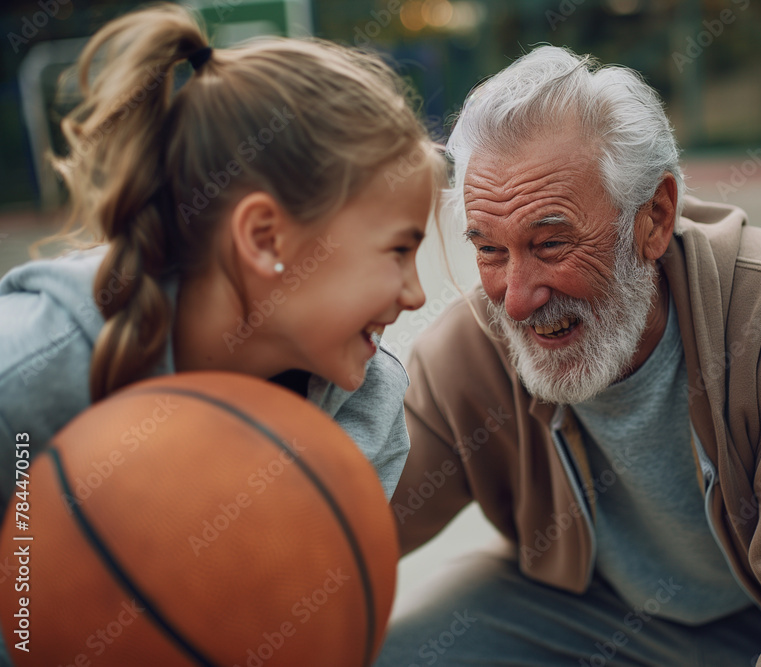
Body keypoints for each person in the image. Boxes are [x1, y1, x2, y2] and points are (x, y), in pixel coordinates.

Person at [378, 46, 761, 666]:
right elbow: (349, 525)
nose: (515, 300)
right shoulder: (474, 348)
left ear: (654, 216)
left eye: (551, 242)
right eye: (488, 250)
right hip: (593, 609)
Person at [0, 7, 442, 528]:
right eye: (397, 251)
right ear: (263, 238)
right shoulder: (25, 381)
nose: (417, 295)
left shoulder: (370, 411)